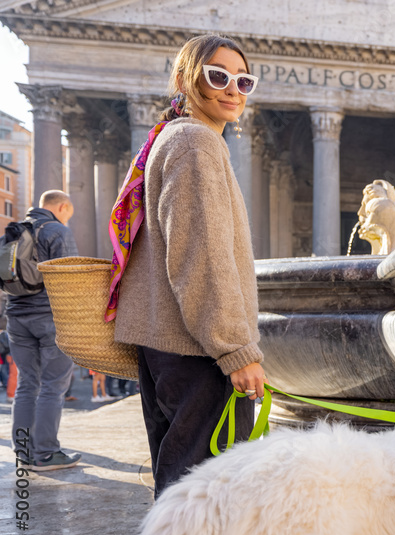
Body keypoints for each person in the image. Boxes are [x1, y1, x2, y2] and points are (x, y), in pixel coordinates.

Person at [108, 34, 266, 498]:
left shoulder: (174, 139)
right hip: (195, 349)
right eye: (217, 76)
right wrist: (235, 349)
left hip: (171, 343)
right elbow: (202, 257)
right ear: (183, 79)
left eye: (243, 80)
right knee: (202, 493)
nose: (232, 88)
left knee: (179, 486)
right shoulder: (196, 143)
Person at [8, 190, 80, 470]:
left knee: (27, 384)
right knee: (53, 385)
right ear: (62, 207)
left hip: (16, 318)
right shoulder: (56, 231)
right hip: (50, 318)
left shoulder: (14, 231)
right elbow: (70, 280)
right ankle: (47, 453)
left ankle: (24, 452)